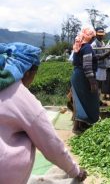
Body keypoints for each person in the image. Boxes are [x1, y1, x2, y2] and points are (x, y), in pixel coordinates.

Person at [0, 42, 87, 184]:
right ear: (28, 72)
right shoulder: (20, 96)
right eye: (34, 75)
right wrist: (75, 171)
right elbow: (51, 144)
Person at [71, 27, 110, 134]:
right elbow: (87, 66)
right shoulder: (86, 47)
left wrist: (108, 53)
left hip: (78, 75)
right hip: (84, 77)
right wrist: (92, 82)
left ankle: (81, 125)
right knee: (86, 101)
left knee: (81, 101)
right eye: (92, 37)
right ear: (89, 37)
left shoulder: (79, 46)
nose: (93, 39)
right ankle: (77, 127)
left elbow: (94, 58)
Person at [91, 27, 108, 106]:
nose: (101, 36)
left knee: (100, 85)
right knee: (97, 85)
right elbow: (95, 57)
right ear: (96, 35)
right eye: (99, 35)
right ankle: (96, 101)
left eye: (102, 35)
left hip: (103, 67)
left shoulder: (103, 43)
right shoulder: (94, 44)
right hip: (98, 67)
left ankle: (99, 100)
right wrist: (106, 54)